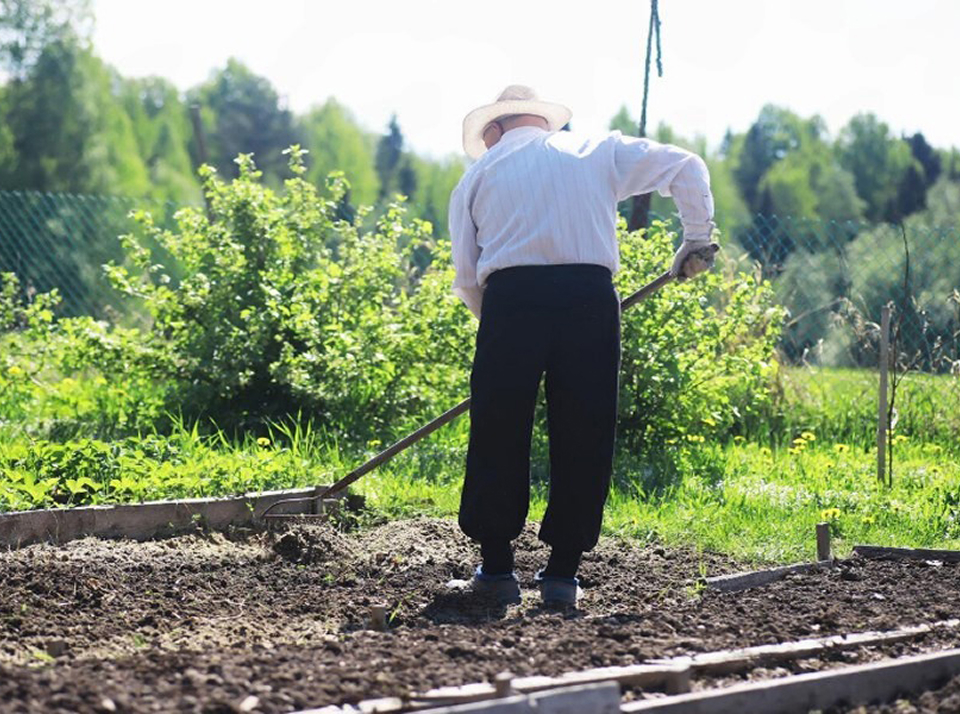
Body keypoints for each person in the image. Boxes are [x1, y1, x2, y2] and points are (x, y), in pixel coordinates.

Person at [447, 85, 716, 606]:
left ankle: (498, 571)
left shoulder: (477, 175)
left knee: (498, 430)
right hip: (590, 301)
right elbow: (686, 165)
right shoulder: (597, 150)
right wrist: (697, 237)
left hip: (510, 300)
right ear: (542, 122)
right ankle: (562, 576)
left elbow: (466, 277)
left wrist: (502, 326)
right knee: (585, 430)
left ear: (496, 130)